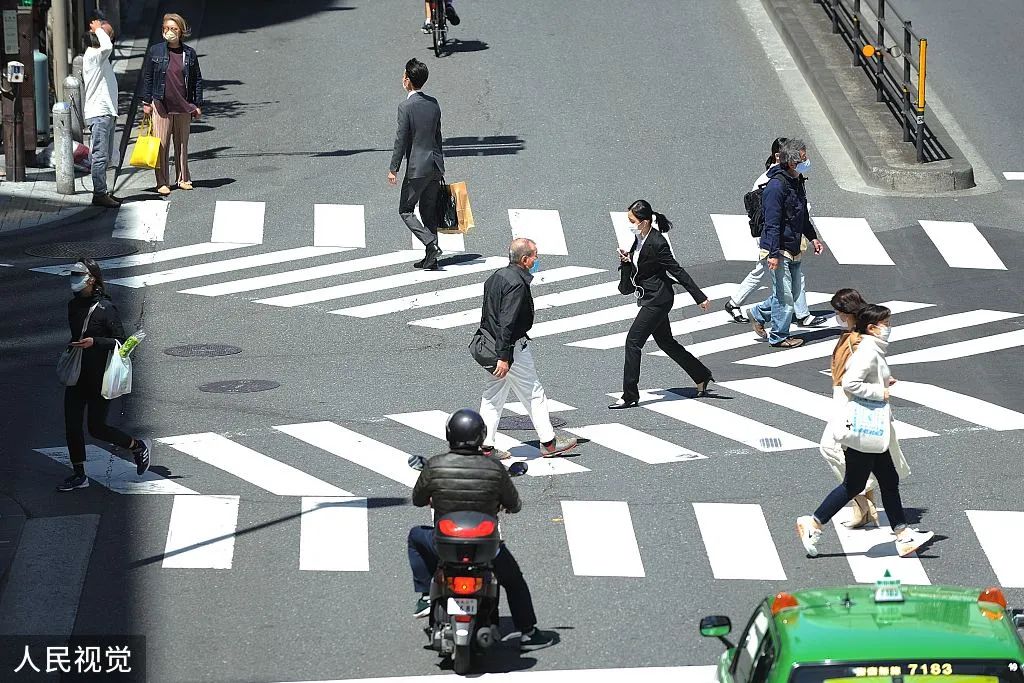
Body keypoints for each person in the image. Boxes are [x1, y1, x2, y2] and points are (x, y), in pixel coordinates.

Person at [407, 409, 554, 651]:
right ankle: (528, 631)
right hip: (486, 548)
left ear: (449, 435)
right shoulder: (494, 468)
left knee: (415, 536)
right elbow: (514, 505)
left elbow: (418, 499)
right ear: (481, 436)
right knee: (514, 581)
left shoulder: (435, 466)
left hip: (444, 544)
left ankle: (425, 597)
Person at [797, 305, 933, 557]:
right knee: (854, 484)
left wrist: (882, 381)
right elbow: (850, 382)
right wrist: (879, 391)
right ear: (872, 327)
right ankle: (813, 523)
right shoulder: (867, 351)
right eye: (886, 323)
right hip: (864, 430)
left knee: (887, 481)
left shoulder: (873, 349)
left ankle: (903, 536)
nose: (888, 328)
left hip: (872, 430)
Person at [608, 200, 713, 410]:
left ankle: (630, 395)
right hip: (651, 296)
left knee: (633, 342)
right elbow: (642, 267)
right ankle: (701, 375)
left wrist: (699, 296)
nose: (629, 224)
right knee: (666, 342)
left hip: (658, 299)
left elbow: (677, 270)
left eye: (632, 220)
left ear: (645, 221)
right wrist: (627, 260)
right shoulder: (640, 237)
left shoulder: (657, 243)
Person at [478, 238, 577, 459]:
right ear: (525, 260)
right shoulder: (516, 284)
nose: (537, 259)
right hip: (511, 350)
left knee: (492, 396)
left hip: (493, 345)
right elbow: (507, 322)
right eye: (534, 255)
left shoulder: (495, 277)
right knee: (533, 393)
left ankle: (485, 447)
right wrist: (504, 357)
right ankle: (550, 443)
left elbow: (489, 316)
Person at [59, 258, 151, 492]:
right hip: (78, 373)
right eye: (73, 275)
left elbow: (122, 342)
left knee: (97, 428)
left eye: (79, 276)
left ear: (92, 280)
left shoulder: (105, 308)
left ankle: (137, 446)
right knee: (72, 425)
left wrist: (95, 342)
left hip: (100, 376)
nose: (74, 280)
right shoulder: (73, 305)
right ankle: (79, 474)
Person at [723, 137, 826, 327]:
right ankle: (796, 317)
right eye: (801, 158)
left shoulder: (791, 176)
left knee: (778, 276)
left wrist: (811, 235)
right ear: (780, 156)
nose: (805, 162)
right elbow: (768, 217)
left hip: (786, 235)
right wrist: (771, 249)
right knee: (785, 285)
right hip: (773, 238)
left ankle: (737, 303)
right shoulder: (771, 181)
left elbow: (798, 208)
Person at [388, 58, 445, 271]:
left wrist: (393, 168)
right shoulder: (433, 103)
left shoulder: (406, 107)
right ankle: (432, 257)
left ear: (408, 81)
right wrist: (440, 165)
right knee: (429, 210)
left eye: (404, 75)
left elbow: (401, 139)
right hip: (435, 165)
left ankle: (431, 244)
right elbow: (438, 136)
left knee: (406, 209)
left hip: (417, 169)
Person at [141, 13, 203, 196]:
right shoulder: (155, 51)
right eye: (166, 29)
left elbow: (197, 80)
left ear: (181, 31)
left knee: (182, 143)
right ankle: (162, 182)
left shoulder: (189, 53)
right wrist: (146, 102)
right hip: (161, 104)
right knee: (161, 144)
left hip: (184, 105)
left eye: (174, 29)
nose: (169, 32)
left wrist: (197, 103)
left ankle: (183, 178)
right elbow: (149, 77)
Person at [82, 18, 122, 208]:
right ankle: (99, 194)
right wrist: (100, 29)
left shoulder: (100, 57)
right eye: (99, 32)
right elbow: (107, 46)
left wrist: (101, 31)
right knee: (99, 155)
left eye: (104, 32)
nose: (99, 34)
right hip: (99, 113)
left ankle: (103, 191)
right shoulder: (93, 55)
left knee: (104, 156)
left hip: (106, 113)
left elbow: (107, 45)